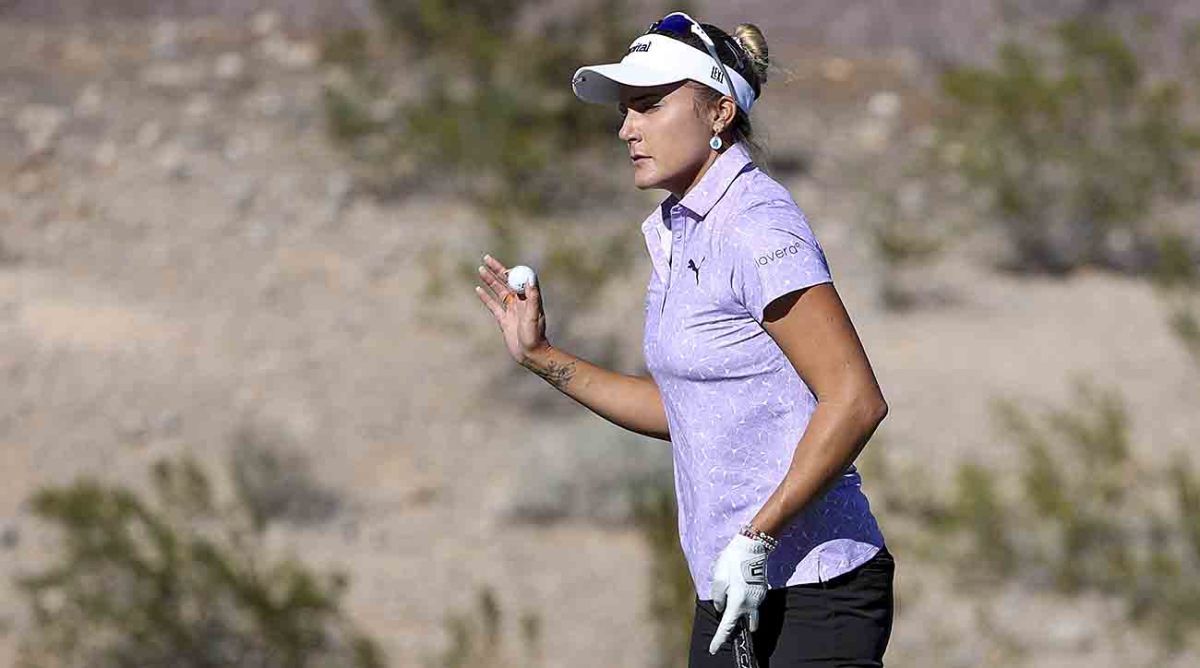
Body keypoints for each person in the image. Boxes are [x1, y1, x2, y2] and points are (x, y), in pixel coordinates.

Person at [474, 11, 894, 667]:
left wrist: (756, 538)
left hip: (817, 590)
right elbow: (686, 411)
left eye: (648, 105)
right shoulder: (681, 230)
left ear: (720, 111)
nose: (626, 128)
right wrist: (540, 358)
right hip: (732, 584)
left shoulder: (755, 223)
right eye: (625, 110)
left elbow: (855, 399)